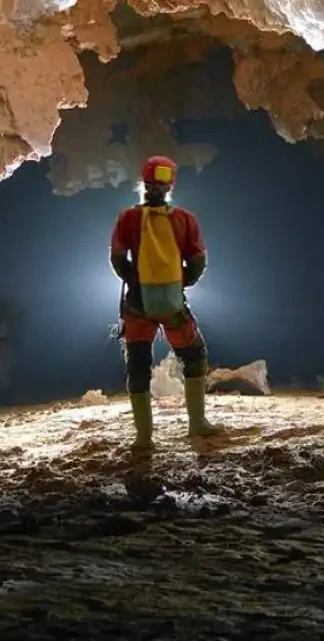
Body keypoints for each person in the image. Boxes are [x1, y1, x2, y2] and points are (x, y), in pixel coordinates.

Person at [110, 154, 221, 452]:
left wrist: (136, 283)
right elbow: (198, 260)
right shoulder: (185, 219)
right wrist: (179, 283)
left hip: (136, 305)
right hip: (172, 303)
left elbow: (117, 258)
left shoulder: (128, 218)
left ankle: (144, 438)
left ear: (143, 183)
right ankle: (197, 423)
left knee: (138, 365)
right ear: (171, 184)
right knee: (194, 355)